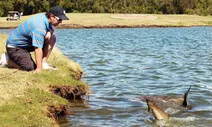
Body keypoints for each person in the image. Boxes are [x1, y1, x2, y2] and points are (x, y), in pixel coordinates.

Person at [5, 6, 69, 73]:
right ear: (52, 16)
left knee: (52, 38)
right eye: (60, 19)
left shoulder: (46, 18)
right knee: (31, 68)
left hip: (26, 44)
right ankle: (7, 60)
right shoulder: (39, 27)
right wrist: (39, 69)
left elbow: (51, 29)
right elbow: (38, 48)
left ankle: (43, 63)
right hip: (15, 48)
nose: (61, 22)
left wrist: (49, 32)